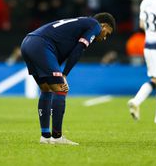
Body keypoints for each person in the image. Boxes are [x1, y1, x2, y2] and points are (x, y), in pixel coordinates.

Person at [21, 13, 115, 145]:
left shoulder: (80, 23)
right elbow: (78, 50)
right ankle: (57, 137)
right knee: (61, 89)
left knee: (46, 89)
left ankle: (45, 136)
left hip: (28, 42)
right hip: (41, 44)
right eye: (107, 33)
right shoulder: (95, 25)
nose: (105, 37)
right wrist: (64, 75)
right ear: (104, 25)